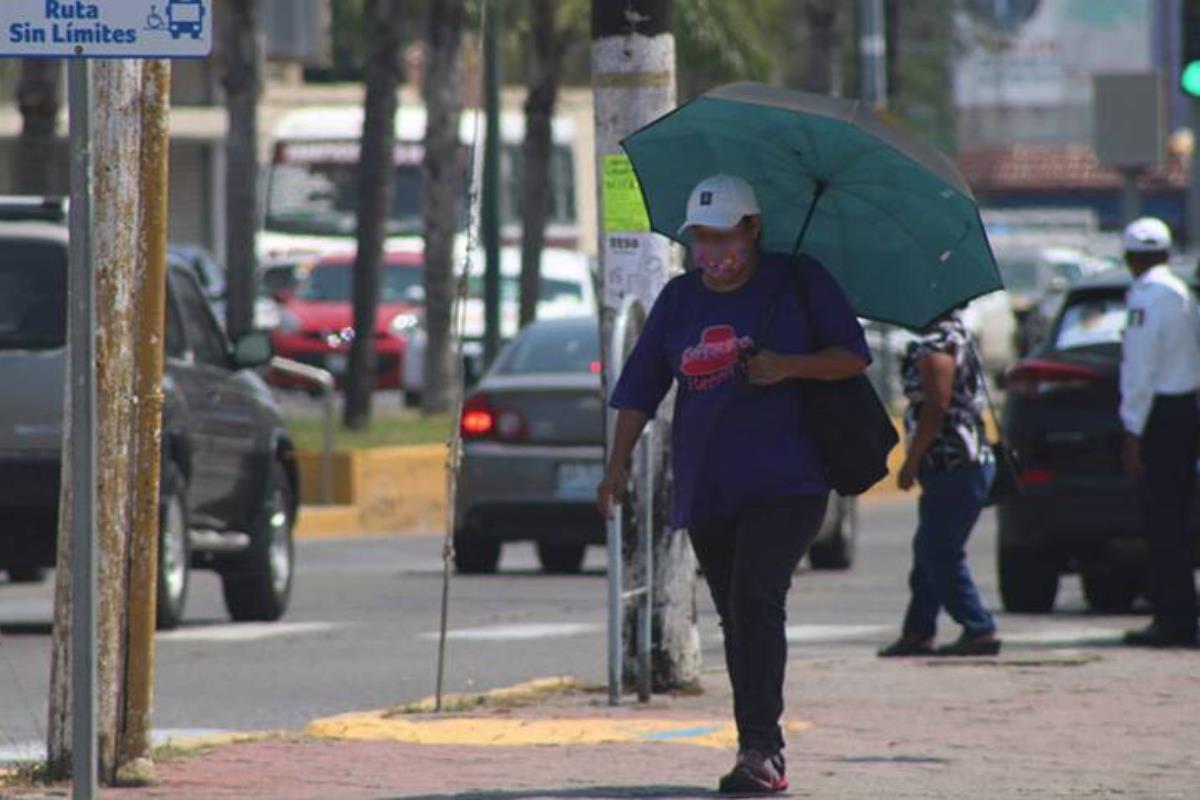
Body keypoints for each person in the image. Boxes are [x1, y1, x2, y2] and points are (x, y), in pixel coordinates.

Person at [596, 174, 870, 795]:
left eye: (726, 239)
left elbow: (852, 356)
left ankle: (762, 750)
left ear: (754, 230)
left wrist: (788, 367)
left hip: (790, 479)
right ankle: (753, 741)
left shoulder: (798, 281)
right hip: (710, 482)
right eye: (701, 240)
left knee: (756, 596)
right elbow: (641, 389)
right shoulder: (679, 299)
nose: (713, 254)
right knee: (735, 617)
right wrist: (615, 468)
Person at [878, 309, 1000, 658]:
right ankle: (918, 631)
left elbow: (937, 405)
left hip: (954, 463)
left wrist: (911, 462)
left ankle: (979, 627)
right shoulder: (959, 335)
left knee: (939, 552)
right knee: (928, 550)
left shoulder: (936, 344)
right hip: (961, 463)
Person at [1118, 217, 1200, 648]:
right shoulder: (1184, 294)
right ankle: (1180, 611)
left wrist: (1132, 430)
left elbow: (1139, 370)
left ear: (1131, 258)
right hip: (1186, 409)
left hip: (1160, 417)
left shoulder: (1147, 297)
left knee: (1162, 521)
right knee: (1179, 520)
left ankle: (1173, 617)